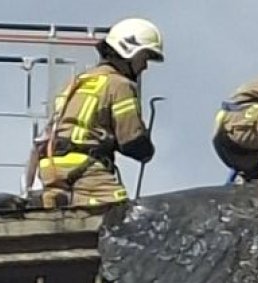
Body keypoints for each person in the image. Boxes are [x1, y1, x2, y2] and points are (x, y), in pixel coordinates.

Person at [28, 17, 164, 209]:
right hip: (86, 169)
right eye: (144, 57)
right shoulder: (120, 85)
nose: (145, 66)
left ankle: (53, 199)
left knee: (62, 211)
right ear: (129, 52)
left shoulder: (77, 81)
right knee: (119, 213)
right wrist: (146, 149)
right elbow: (130, 141)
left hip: (50, 166)